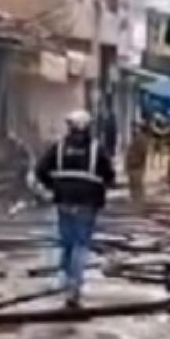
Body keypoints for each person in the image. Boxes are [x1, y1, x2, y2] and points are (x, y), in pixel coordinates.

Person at [33, 109, 116, 309]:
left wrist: (54, 186)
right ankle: (74, 287)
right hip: (88, 202)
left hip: (64, 201)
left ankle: (65, 278)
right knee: (80, 244)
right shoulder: (97, 149)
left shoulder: (59, 147)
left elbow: (40, 170)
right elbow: (110, 175)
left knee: (67, 242)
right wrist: (100, 188)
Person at [124, 125, 151, 211]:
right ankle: (136, 202)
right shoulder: (137, 139)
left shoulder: (141, 139)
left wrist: (138, 162)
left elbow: (143, 153)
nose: (133, 129)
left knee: (136, 184)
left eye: (135, 128)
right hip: (133, 164)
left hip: (136, 165)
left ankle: (138, 203)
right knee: (134, 184)